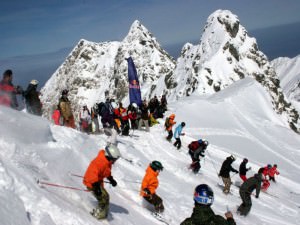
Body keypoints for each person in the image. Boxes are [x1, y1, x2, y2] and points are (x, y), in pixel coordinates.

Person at [83, 144, 120, 219]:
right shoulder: (99, 162)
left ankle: (102, 212)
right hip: (91, 182)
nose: (114, 161)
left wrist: (111, 179)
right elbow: (92, 174)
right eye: (114, 159)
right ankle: (98, 214)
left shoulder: (107, 162)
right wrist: (96, 187)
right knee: (104, 197)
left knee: (105, 197)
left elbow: (106, 171)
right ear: (109, 156)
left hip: (97, 181)